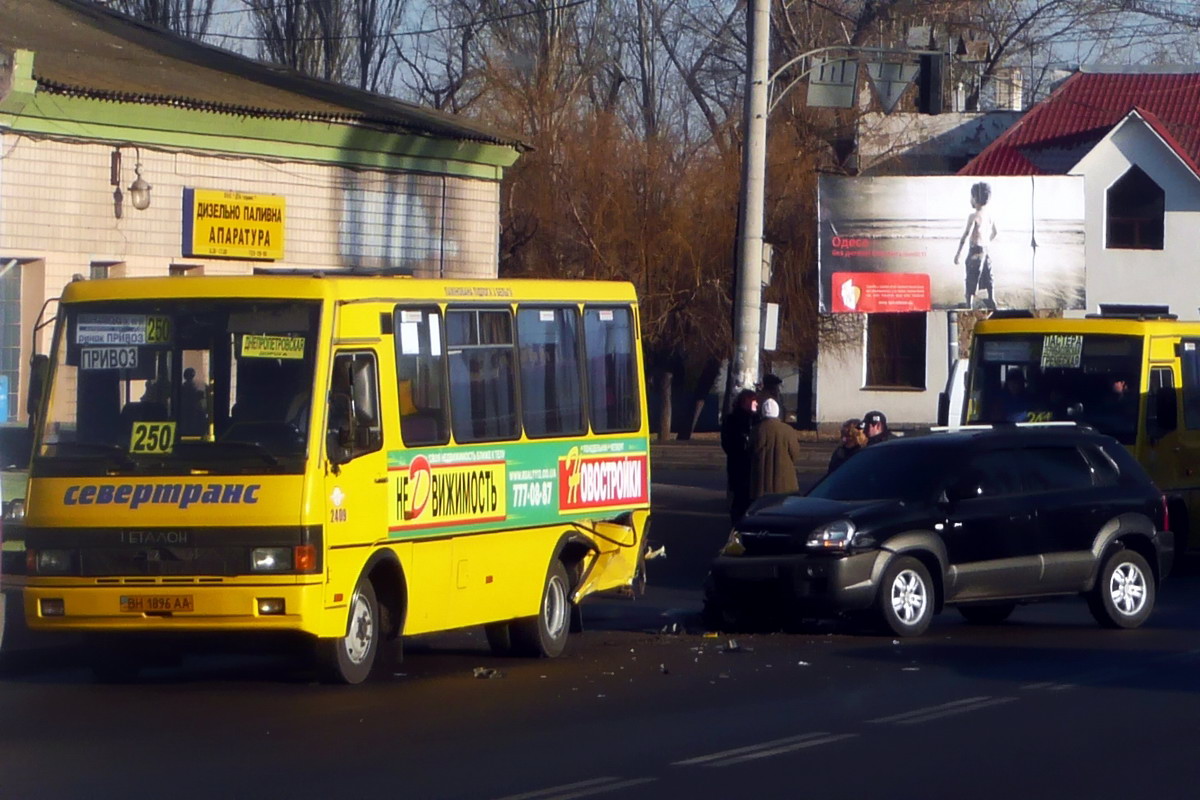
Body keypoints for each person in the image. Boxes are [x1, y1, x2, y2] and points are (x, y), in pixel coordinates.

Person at [953, 181, 999, 310]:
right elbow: (995, 232)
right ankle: (991, 299)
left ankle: (969, 303)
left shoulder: (974, 216)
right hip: (985, 250)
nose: (970, 200)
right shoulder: (989, 215)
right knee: (988, 276)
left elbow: (966, 235)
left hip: (975, 252)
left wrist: (958, 254)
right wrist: (987, 242)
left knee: (971, 278)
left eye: (971, 197)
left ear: (975, 198)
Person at [721, 389, 758, 522]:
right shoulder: (738, 420)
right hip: (741, 464)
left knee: (739, 495)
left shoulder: (752, 418)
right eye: (754, 401)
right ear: (746, 402)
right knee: (742, 496)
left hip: (736, 464)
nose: (757, 405)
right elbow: (728, 442)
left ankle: (738, 520)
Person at [750, 398, 800, 499]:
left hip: (761, 483)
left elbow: (750, 453)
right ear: (777, 412)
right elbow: (795, 454)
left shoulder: (756, 430)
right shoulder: (788, 430)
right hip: (785, 483)